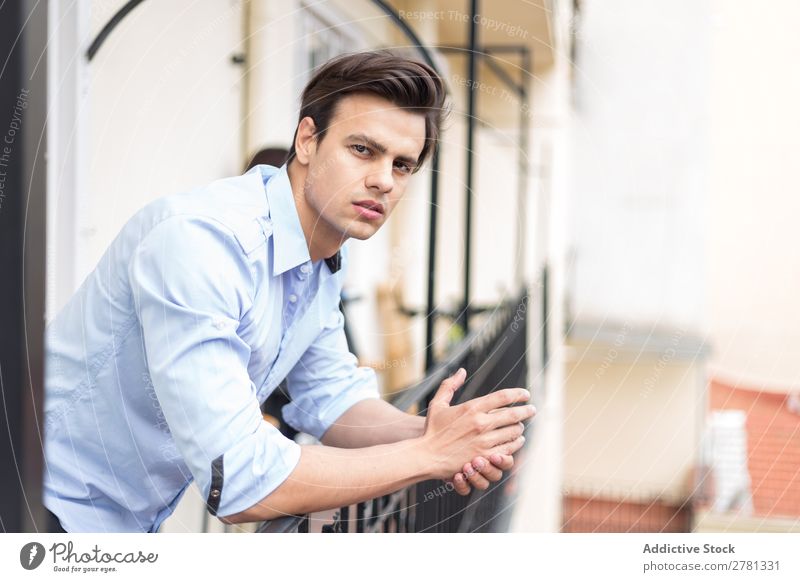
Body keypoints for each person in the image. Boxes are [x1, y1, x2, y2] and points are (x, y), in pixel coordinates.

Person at [43, 50, 535, 533]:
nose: (383, 180)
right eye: (363, 149)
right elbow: (239, 480)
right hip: (36, 507)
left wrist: (436, 434)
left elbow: (331, 393)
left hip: (117, 523)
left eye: (403, 165)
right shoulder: (204, 243)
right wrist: (425, 456)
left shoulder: (315, 254)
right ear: (306, 140)